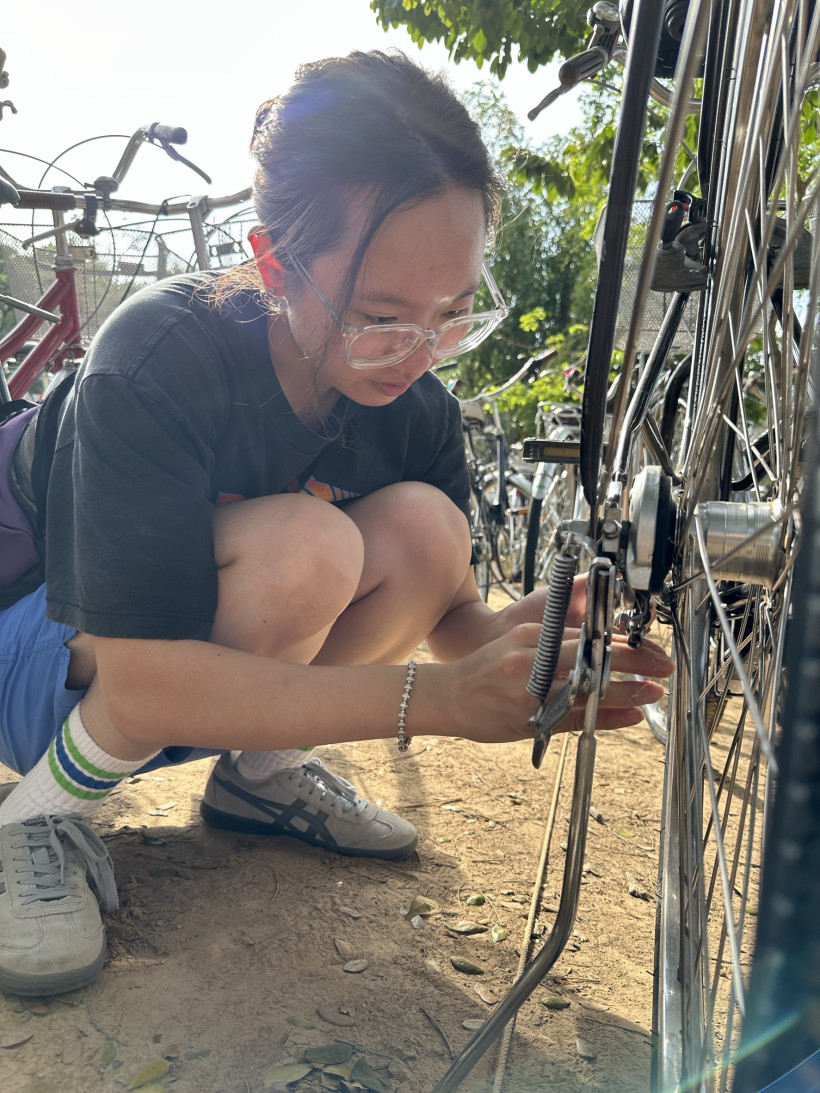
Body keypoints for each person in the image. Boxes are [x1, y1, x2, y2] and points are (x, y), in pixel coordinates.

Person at [0, 50, 672, 998]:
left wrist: (545, 628)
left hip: (152, 659)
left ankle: (257, 773)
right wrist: (433, 705)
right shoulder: (157, 358)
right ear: (272, 259)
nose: (420, 353)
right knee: (308, 551)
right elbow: (145, 679)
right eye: (382, 315)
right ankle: (31, 815)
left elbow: (456, 620)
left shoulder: (412, 402)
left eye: (454, 314)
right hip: (29, 640)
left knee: (426, 531)